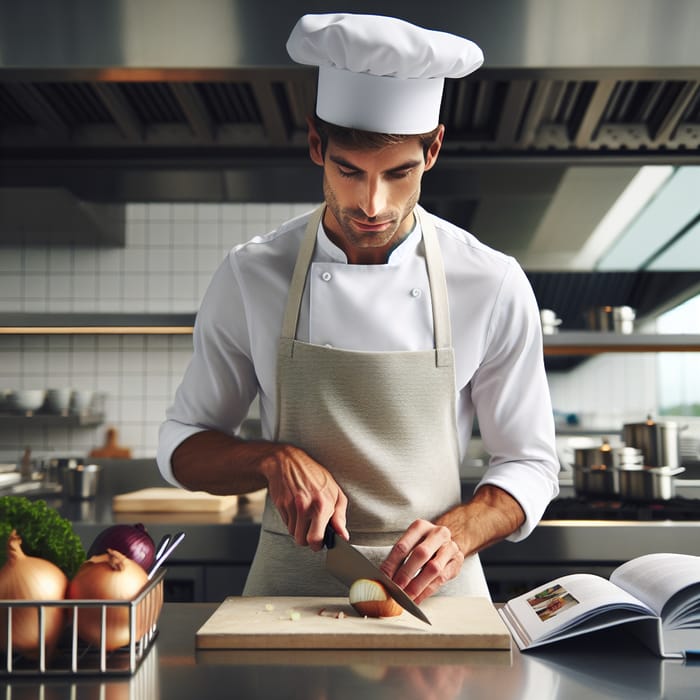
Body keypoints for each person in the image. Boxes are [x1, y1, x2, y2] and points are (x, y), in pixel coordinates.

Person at [157, 13, 559, 603]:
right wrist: (272, 460)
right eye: (349, 171)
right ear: (317, 146)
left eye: (399, 174)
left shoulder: (490, 281)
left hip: (436, 594)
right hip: (287, 593)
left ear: (434, 149)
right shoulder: (252, 274)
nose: (373, 203)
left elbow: (530, 464)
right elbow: (182, 447)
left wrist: (460, 530)